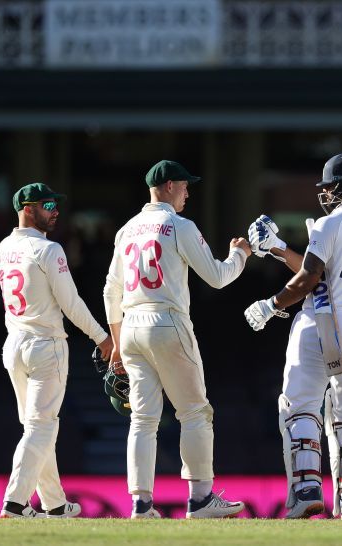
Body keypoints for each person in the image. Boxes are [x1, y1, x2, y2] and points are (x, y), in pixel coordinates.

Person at [102, 160, 251, 519]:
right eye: (184, 185)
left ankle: (141, 503)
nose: (188, 191)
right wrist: (240, 255)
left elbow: (111, 290)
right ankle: (200, 499)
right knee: (195, 412)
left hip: (131, 324)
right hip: (167, 320)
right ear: (168, 186)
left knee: (143, 419)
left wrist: (117, 343)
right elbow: (216, 277)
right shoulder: (177, 224)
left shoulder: (127, 230)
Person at [244, 152, 342, 520]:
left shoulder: (327, 225)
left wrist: (271, 304)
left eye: (332, 185)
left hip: (320, 322)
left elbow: (309, 280)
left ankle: (306, 489)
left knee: (299, 404)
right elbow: (318, 273)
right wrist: (277, 248)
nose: (327, 192)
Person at [0, 183, 113, 518]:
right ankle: (15, 503)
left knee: (37, 427)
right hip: (44, 346)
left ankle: (55, 504)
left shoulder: (4, 247)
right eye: (48, 205)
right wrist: (102, 337)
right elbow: (70, 304)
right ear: (28, 209)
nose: (56, 210)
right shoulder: (50, 250)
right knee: (41, 427)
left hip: (14, 346)